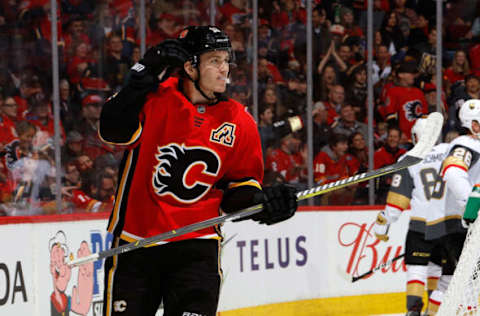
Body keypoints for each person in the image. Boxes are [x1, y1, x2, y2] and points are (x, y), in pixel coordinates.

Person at [99, 25, 298, 316]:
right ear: (190, 67)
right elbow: (111, 131)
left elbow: (238, 188)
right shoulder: (155, 100)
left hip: (197, 247)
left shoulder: (239, 121)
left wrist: (261, 204)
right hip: (136, 243)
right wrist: (139, 77)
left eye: (225, 60)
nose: (224, 69)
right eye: (214, 60)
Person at [373, 118, 450, 315]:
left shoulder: (408, 159)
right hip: (447, 224)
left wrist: (384, 223)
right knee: (440, 270)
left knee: (417, 267)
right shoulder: (450, 150)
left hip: (420, 224)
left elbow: (397, 201)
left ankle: (414, 309)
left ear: (416, 137)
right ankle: (434, 310)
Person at [426, 100, 480, 314]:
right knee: (468, 282)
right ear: (474, 125)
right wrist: (470, 204)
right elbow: (453, 172)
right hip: (462, 224)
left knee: (453, 280)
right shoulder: (466, 143)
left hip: (465, 224)